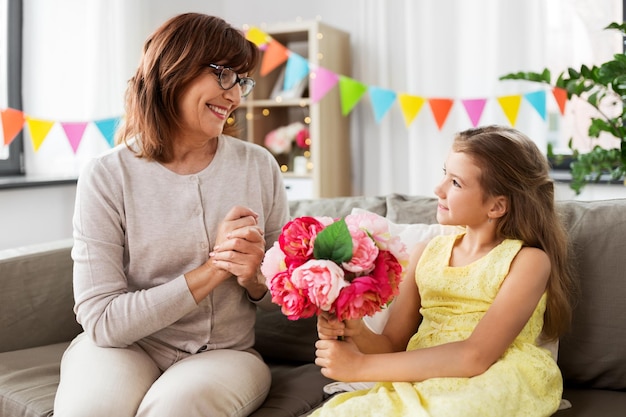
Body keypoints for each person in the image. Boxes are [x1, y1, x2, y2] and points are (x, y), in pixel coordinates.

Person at [53, 13, 289, 417]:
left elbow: (289, 300)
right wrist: (214, 269)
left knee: (176, 408)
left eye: (242, 81)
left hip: (224, 355)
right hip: (126, 347)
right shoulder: (108, 175)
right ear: (174, 68)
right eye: (225, 75)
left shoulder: (259, 166)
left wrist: (256, 278)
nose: (235, 96)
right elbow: (103, 321)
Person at [313, 125, 576, 417]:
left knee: (453, 410)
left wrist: (359, 367)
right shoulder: (426, 254)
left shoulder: (527, 261)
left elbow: (475, 356)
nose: (438, 189)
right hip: (425, 375)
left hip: (496, 374)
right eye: (444, 174)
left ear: (497, 206)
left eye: (456, 183)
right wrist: (357, 331)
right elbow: (390, 347)